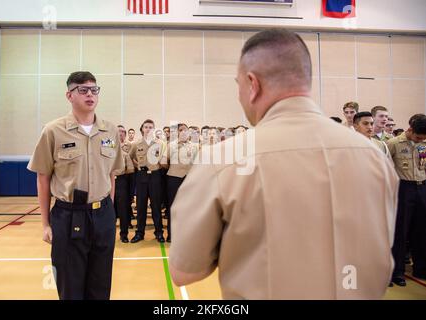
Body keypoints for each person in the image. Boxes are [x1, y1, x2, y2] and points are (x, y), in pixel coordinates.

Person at [169, 28, 398, 299]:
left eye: (238, 85)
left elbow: (185, 270)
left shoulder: (224, 158)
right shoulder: (375, 157)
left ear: (252, 84)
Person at [27, 71, 124, 300]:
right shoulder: (53, 131)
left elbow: (112, 174)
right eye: (83, 90)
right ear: (69, 95)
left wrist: (108, 214)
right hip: (68, 215)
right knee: (70, 288)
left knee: (100, 287)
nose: (90, 94)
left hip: (102, 216)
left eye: (94, 89)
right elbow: (43, 177)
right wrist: (45, 224)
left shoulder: (110, 131)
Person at [386, 115, 426, 286]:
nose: (420, 140)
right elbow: (386, 168)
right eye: (418, 137)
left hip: (422, 187)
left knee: (422, 230)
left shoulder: (424, 143)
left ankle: (421, 268)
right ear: (410, 129)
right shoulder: (393, 144)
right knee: (401, 231)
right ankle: (398, 271)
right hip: (403, 189)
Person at [129, 119, 168, 243]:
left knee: (156, 206)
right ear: (142, 129)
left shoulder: (159, 143)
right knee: (141, 206)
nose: (148, 129)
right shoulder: (136, 144)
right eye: (146, 127)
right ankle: (139, 233)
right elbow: (130, 157)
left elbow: (163, 159)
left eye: (151, 127)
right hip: (141, 176)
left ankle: (159, 233)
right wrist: (138, 165)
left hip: (155, 176)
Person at [166, 123, 198, 243]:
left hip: (189, 178)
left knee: (189, 208)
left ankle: (188, 235)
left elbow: (197, 162)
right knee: (173, 207)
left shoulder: (194, 146)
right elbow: (164, 161)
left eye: (185, 130)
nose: (183, 132)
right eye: (181, 130)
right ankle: (171, 234)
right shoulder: (171, 145)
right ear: (177, 132)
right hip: (174, 178)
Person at [114, 125, 135, 242]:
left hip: (122, 181)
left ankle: (124, 234)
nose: (120, 134)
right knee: (109, 211)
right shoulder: (107, 149)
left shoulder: (125, 153)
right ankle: (108, 234)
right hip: (109, 182)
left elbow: (131, 169)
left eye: (122, 132)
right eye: (118, 132)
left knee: (123, 210)